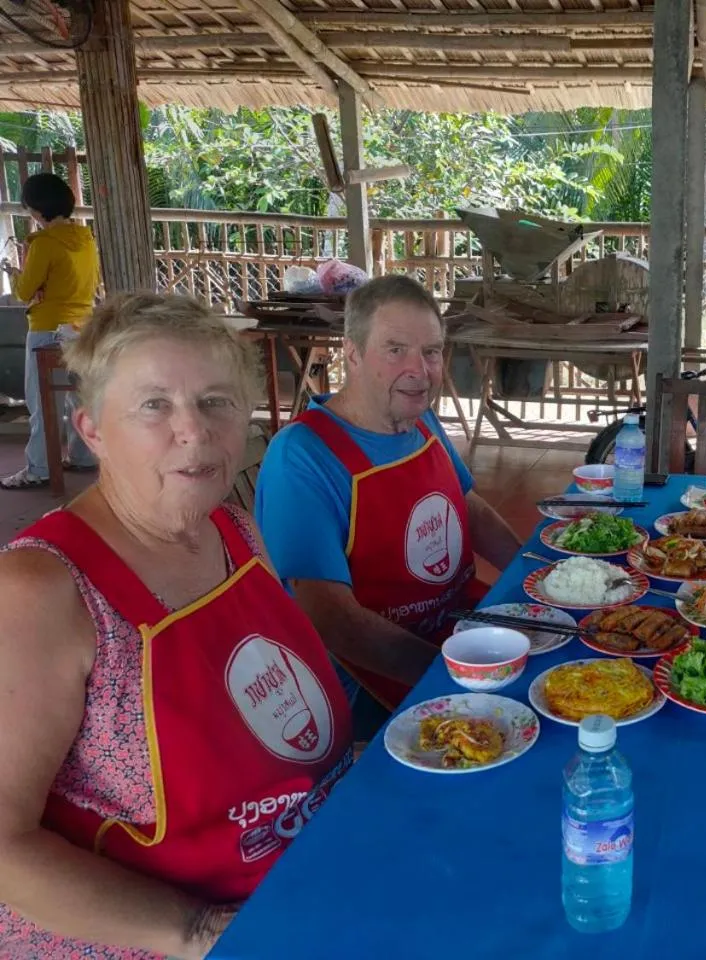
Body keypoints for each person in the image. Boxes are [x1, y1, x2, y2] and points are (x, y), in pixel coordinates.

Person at [0, 294, 354, 959]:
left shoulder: (236, 532)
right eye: (153, 405)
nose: (194, 432)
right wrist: (202, 933)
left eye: (216, 401)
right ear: (91, 429)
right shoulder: (40, 590)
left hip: (302, 880)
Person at [255, 274, 521, 726]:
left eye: (431, 352)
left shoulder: (420, 420)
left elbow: (470, 507)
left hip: (458, 629)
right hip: (370, 681)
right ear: (352, 353)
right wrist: (447, 675)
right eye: (395, 349)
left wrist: (534, 575)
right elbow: (333, 621)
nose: (419, 370)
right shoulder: (302, 456)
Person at [1, 172, 99, 490]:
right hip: (82, 327)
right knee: (81, 397)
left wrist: (15, 273)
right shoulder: (85, 238)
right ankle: (84, 456)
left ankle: (40, 468)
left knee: (43, 405)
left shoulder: (43, 243)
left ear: (36, 209)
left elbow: (24, 292)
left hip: (46, 329)